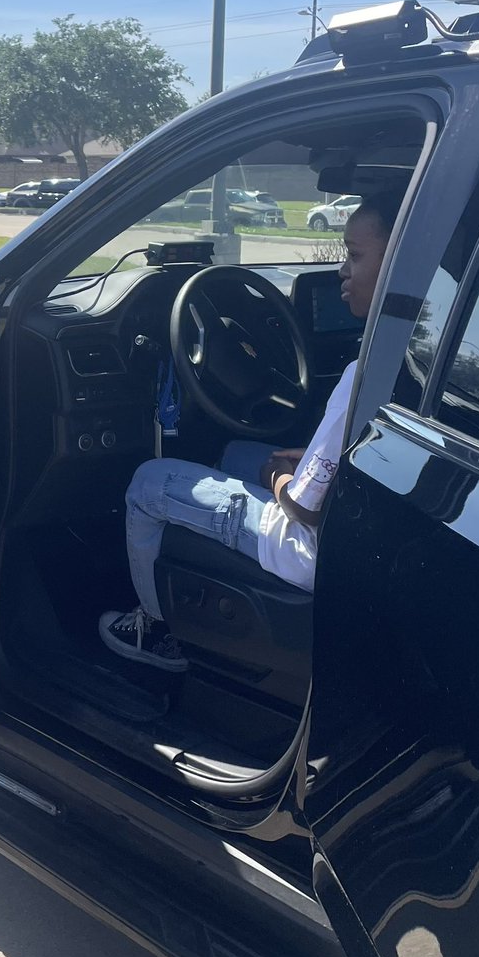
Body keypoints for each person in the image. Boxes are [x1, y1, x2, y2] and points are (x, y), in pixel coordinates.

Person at [99, 193, 398, 671]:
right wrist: (301, 461)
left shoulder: (365, 375)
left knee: (146, 483)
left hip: (306, 550)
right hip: (361, 529)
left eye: (355, 255)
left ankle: (156, 632)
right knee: (234, 449)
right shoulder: (416, 354)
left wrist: (277, 474)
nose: (342, 269)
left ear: (400, 261)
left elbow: (304, 507)